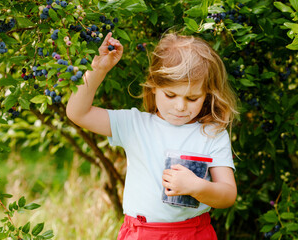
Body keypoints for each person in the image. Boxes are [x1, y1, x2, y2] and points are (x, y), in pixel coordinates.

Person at [66, 31, 238, 240]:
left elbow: (228, 194)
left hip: (192, 233)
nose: (180, 106)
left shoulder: (211, 133)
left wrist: (196, 186)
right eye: (171, 95)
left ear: (207, 94)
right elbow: (78, 113)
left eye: (192, 98)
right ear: (154, 86)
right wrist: (97, 70)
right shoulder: (135, 125)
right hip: (141, 233)